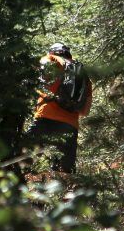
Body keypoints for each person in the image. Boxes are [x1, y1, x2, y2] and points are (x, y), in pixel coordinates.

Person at [23, 42, 93, 173]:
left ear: (52, 52)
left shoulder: (53, 59)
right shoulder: (83, 74)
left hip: (45, 118)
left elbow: (41, 68)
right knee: (65, 170)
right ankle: (64, 190)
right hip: (70, 125)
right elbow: (85, 112)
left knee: (25, 156)